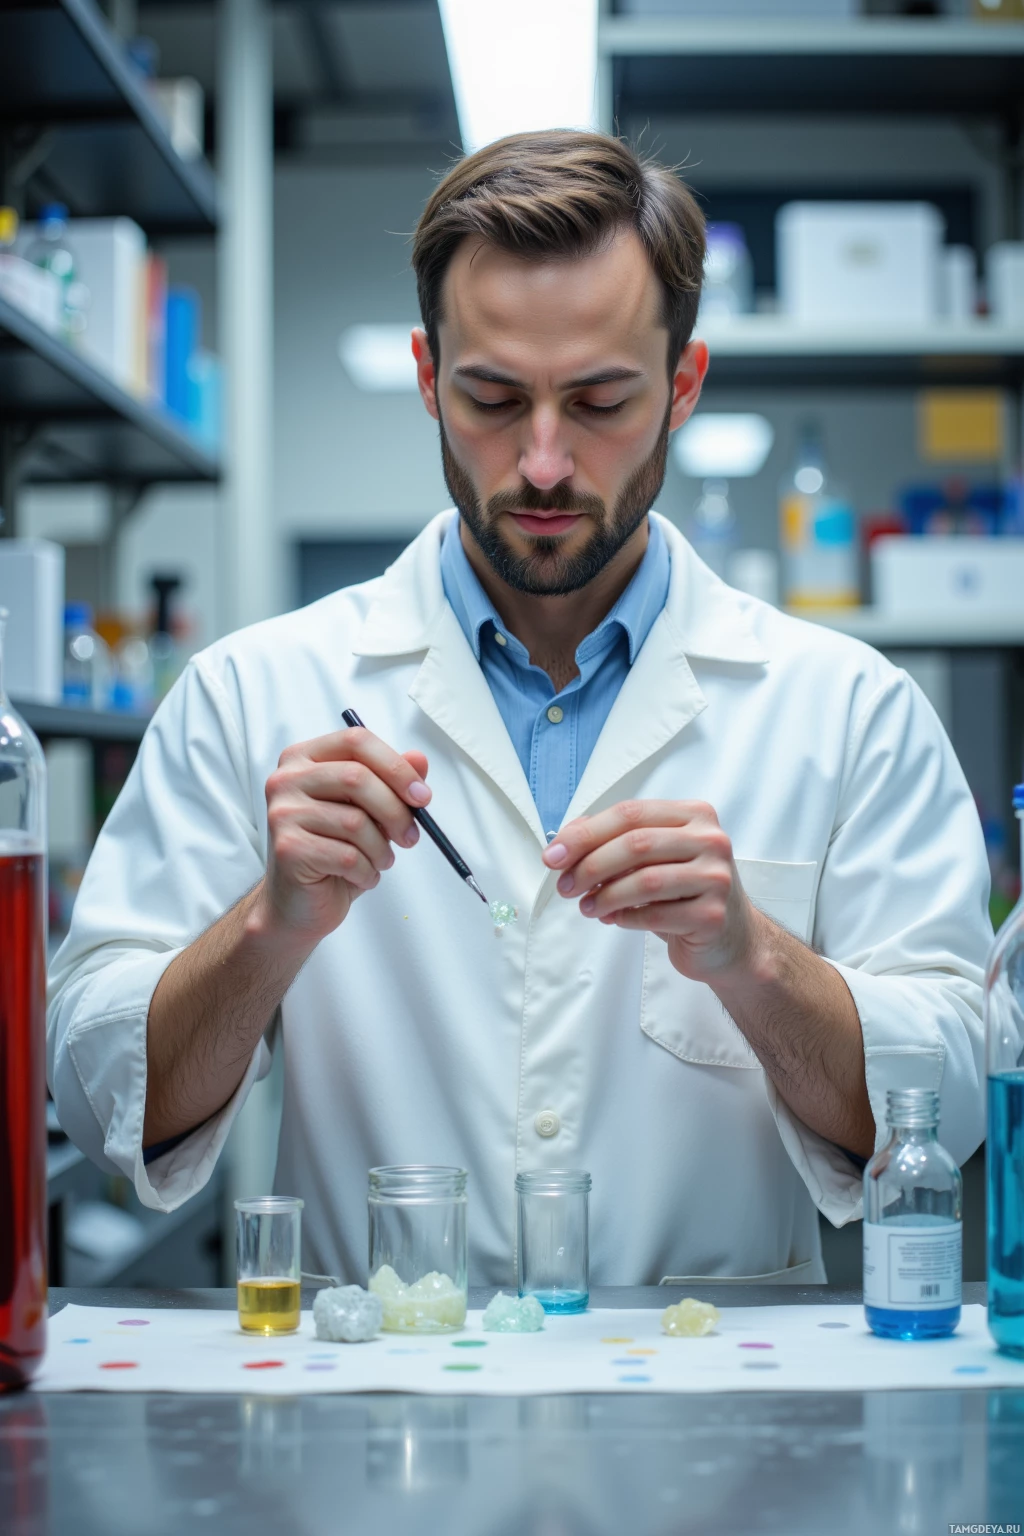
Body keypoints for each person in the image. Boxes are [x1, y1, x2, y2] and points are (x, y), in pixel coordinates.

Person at [47, 132, 991, 1286]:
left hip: (718, 1439)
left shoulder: (849, 712)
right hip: (374, 1418)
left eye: (599, 400)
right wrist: (269, 926)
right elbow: (100, 1101)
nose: (543, 462)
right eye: (494, 397)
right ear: (428, 376)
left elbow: (947, 1111)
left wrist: (751, 957)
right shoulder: (251, 694)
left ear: (683, 385)